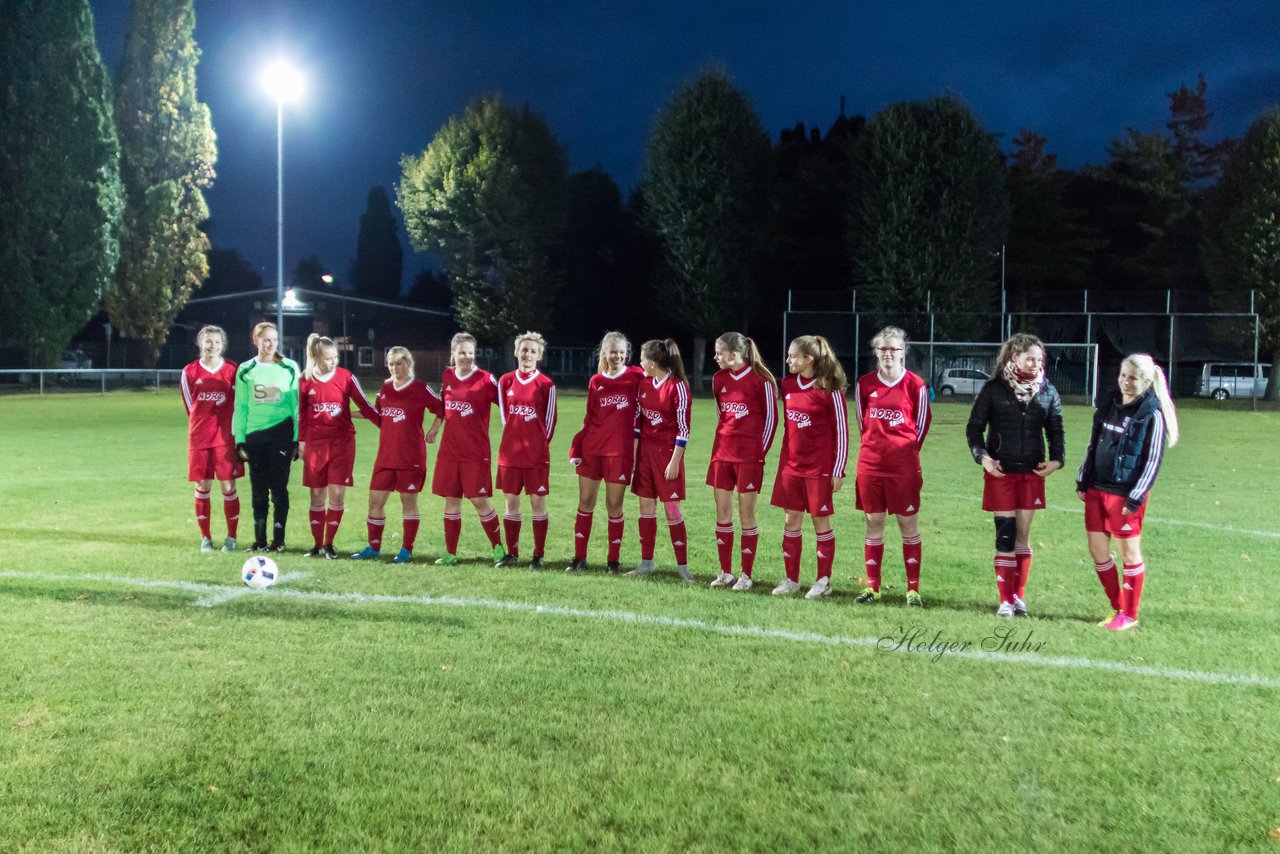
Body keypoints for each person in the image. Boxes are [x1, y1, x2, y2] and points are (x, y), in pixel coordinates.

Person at [1076, 354, 1179, 631]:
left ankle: (1129, 615)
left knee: (1129, 553)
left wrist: (1136, 496)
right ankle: (1117, 605)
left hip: (1125, 494)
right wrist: (1083, 477)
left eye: (1133, 377)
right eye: (1123, 375)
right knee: (1098, 550)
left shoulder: (1152, 414)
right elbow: (1094, 443)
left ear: (1146, 381)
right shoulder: (1109, 404)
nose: (1126, 382)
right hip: (1097, 488)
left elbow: (1153, 459)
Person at [965, 333, 1065, 618]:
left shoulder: (1047, 391)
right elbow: (974, 429)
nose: (1035, 363)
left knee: (1022, 536)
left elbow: (1056, 430)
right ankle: (1005, 600)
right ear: (1014, 358)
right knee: (1005, 534)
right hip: (1001, 472)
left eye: (1039, 359)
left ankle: (1018, 597)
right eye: (1030, 358)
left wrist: (1057, 460)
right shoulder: (993, 389)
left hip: (1031, 474)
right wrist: (982, 457)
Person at [851, 326, 932, 606]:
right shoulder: (865, 384)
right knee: (874, 523)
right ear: (876, 352)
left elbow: (921, 427)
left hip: (903, 468)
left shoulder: (916, 386)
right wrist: (877, 447)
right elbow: (863, 423)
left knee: (908, 525)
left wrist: (903, 452)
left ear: (903, 352)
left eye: (894, 349)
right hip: (871, 466)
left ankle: (913, 590)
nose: (888, 354)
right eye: (883, 349)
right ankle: (873, 588)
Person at [770, 335, 849, 598]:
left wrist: (838, 469)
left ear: (808, 359)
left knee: (820, 521)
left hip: (819, 469)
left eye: (793, 356)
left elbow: (842, 432)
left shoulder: (830, 389)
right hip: (791, 467)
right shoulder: (788, 384)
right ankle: (791, 580)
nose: (788, 360)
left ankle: (823, 581)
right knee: (791, 519)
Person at [352, 347, 443, 563]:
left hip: (411, 458)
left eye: (399, 363)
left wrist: (433, 429)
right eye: (391, 364)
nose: (395, 368)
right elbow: (379, 417)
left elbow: (442, 409)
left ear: (408, 363)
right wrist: (346, 414)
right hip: (385, 457)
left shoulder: (420, 388)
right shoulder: (384, 388)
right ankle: (374, 548)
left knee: (408, 503)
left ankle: (406, 550)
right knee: (374, 502)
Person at [566, 332, 645, 573]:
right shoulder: (596, 381)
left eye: (621, 352)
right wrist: (577, 445)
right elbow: (589, 417)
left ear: (627, 353)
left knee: (614, 506)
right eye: (613, 351)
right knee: (586, 502)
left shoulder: (636, 376)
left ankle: (613, 562)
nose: (618, 356)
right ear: (604, 353)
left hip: (619, 453)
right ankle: (579, 558)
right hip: (592, 450)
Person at [428, 332, 508, 566]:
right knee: (451, 501)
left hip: (475, 452)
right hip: (450, 451)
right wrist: (435, 425)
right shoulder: (447, 376)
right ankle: (451, 553)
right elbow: (444, 404)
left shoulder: (485, 379)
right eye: (462, 352)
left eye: (470, 353)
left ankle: (498, 548)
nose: (466, 357)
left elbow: (506, 403)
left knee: (478, 500)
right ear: (453, 353)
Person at [299, 334, 381, 558]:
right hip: (315, 444)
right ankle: (316, 545)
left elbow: (365, 405)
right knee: (316, 495)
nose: (334, 362)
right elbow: (301, 415)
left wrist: (386, 424)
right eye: (328, 358)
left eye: (336, 357)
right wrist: (301, 442)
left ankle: (328, 544)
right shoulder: (305, 380)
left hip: (342, 443)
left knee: (337, 493)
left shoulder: (346, 377)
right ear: (316, 357)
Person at [706, 332, 777, 591]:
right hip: (721, 456)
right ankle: (725, 573)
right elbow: (720, 414)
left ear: (734, 354)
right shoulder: (718, 379)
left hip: (749, 458)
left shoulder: (762, 380)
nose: (715, 357)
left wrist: (759, 454)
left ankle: (746, 575)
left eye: (719, 352)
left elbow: (771, 421)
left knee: (747, 515)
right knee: (722, 514)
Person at [627, 339, 694, 581]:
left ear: (652, 363)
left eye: (642, 358)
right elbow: (638, 423)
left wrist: (675, 461)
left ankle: (683, 567)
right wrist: (635, 457)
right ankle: (647, 563)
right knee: (645, 506)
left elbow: (684, 429)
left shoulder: (678, 387)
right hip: (645, 454)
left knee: (672, 509)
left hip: (668, 455)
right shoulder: (644, 384)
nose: (639, 362)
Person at [233, 322, 301, 553]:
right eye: (266, 339)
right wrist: (239, 439)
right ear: (256, 340)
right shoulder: (245, 369)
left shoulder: (289, 367)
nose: (270, 344)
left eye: (274, 339)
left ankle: (278, 540)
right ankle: (260, 540)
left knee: (278, 487)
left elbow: (296, 405)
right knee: (258, 488)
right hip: (254, 435)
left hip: (281, 432)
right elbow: (240, 406)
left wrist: (297, 438)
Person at [496, 332, 558, 568]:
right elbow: (505, 419)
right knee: (511, 504)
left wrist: (538, 449)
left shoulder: (546, 385)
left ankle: (538, 555)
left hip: (535, 458)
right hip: (510, 456)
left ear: (539, 355)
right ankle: (512, 554)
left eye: (533, 351)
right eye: (524, 350)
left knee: (537, 505)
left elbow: (550, 423)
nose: (527, 354)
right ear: (516, 352)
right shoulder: (505, 381)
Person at [180, 325, 242, 552]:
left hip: (226, 438)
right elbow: (190, 407)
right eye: (208, 341)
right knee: (202, 485)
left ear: (222, 344)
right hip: (199, 438)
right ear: (200, 343)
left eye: (216, 341)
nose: (212, 345)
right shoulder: (189, 371)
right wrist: (202, 425)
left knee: (228, 487)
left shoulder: (233, 370)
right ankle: (205, 537)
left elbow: (238, 402)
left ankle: (231, 538)